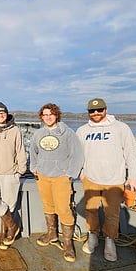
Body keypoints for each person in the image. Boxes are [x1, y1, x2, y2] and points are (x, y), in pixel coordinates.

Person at [76, 98, 136, 262]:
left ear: (105, 110)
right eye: (92, 111)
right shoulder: (82, 131)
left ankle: (110, 241)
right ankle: (93, 236)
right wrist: (80, 172)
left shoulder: (121, 128)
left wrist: (133, 177)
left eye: (99, 110)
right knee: (91, 210)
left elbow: (131, 152)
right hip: (90, 178)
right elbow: (77, 154)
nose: (96, 113)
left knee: (112, 213)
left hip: (114, 179)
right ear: (88, 112)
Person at [29, 103, 84, 262]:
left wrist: (70, 174)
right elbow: (33, 152)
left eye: (51, 114)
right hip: (43, 176)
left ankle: (67, 244)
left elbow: (77, 154)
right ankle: (51, 234)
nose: (48, 117)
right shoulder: (38, 134)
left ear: (57, 115)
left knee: (63, 209)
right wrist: (34, 168)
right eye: (45, 115)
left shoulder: (67, 133)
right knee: (48, 206)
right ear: (41, 117)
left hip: (61, 177)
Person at [0, 102, 27, 250]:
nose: (0, 116)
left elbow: (20, 150)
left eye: (3, 113)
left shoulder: (15, 130)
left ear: (7, 114)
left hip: (10, 174)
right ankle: (13, 226)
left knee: (10, 204)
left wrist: (21, 170)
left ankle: (5, 233)